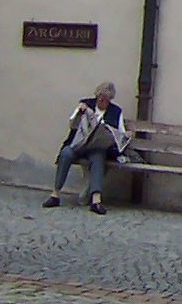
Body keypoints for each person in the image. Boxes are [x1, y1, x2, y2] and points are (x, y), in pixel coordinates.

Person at [44, 82, 129, 215]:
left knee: (98, 158)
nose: (102, 101)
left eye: (105, 99)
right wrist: (79, 112)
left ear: (110, 99)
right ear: (97, 95)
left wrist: (125, 135)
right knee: (65, 153)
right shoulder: (85, 104)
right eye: (100, 97)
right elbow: (72, 124)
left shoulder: (116, 111)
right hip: (79, 144)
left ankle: (96, 200)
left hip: (97, 148)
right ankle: (55, 195)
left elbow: (120, 133)